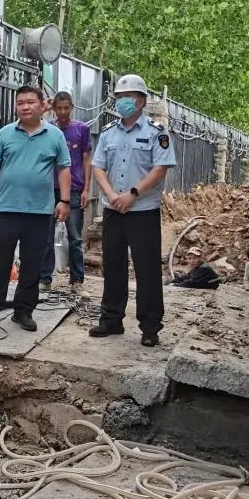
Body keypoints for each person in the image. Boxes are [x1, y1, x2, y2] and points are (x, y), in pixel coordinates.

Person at [88, 74, 177, 347]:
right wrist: (113, 195)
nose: (122, 101)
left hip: (143, 212)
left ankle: (150, 326)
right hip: (114, 210)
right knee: (113, 266)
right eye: (118, 97)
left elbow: (160, 169)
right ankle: (111, 319)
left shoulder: (156, 133)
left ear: (140, 100)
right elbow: (98, 167)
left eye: (127, 97)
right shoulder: (108, 133)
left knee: (147, 269)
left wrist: (133, 194)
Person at [0, 85, 71, 332]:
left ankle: (23, 311)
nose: (25, 106)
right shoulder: (5, 133)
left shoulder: (55, 136)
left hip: (40, 212)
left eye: (30, 102)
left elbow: (63, 168)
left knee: (32, 264)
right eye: (20, 103)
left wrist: (64, 200)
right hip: (7, 208)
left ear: (42, 105)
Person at [39, 92, 92, 293]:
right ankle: (45, 278)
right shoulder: (48, 129)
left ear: (72, 107)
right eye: (58, 108)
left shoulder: (82, 130)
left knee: (75, 237)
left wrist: (87, 188)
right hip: (49, 188)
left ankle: (77, 280)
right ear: (54, 108)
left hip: (75, 189)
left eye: (65, 108)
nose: (62, 112)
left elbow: (86, 159)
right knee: (46, 235)